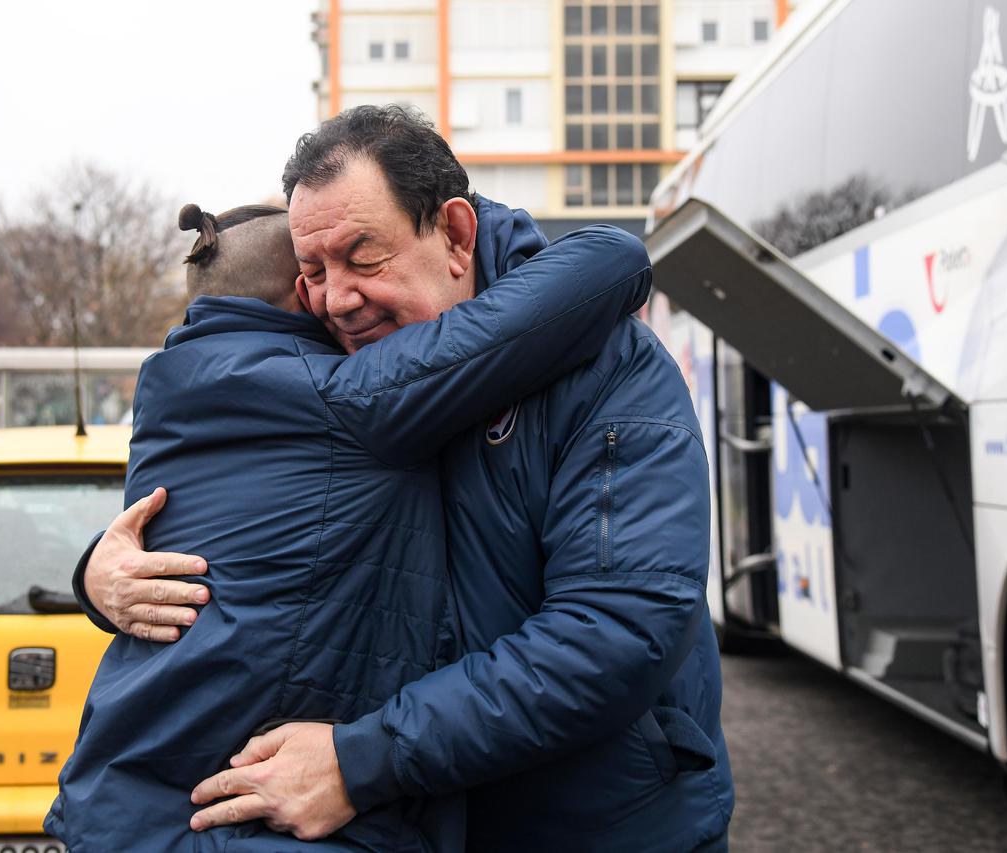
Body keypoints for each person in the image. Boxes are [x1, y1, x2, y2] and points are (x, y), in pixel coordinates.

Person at [76, 105, 734, 852]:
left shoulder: (610, 370)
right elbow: (235, 527)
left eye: (364, 256)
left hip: (598, 827)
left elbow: (616, 631)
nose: (335, 299)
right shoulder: (338, 378)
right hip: (424, 825)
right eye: (314, 272)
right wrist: (101, 570)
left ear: (455, 234)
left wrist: (362, 761)